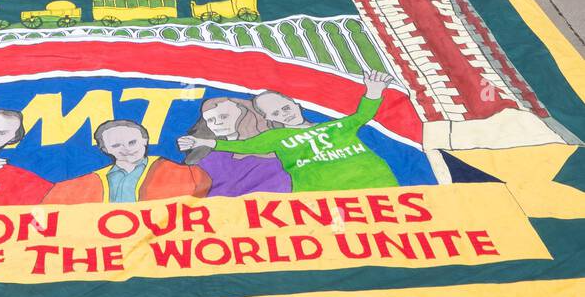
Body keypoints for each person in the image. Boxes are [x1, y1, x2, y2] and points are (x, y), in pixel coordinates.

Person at [178, 82, 397, 193]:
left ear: (295, 103)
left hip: (378, 185)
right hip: (324, 196)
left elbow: (362, 115)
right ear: (268, 118)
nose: (285, 114)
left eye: (285, 108)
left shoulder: (338, 126)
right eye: (276, 113)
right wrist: (203, 142)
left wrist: (373, 92)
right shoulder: (276, 136)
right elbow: (244, 145)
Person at [44, 119, 210, 204]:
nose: (126, 149)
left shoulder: (186, 174)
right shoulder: (85, 184)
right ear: (105, 149)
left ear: (145, 141)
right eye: (116, 145)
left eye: (132, 142)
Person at [180, 96, 291, 196]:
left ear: (244, 114)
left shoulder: (272, 154)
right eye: (210, 120)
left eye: (224, 116)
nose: (216, 123)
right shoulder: (211, 158)